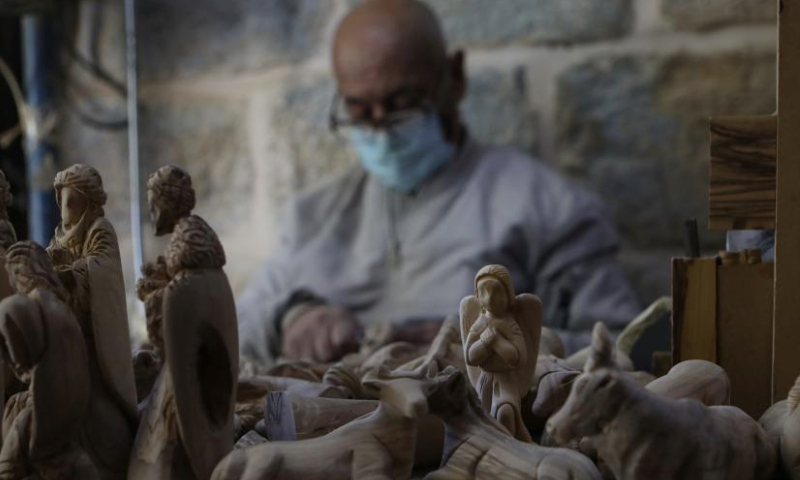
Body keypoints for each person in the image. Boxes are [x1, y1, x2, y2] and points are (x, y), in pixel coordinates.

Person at [237, 0, 641, 365]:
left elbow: (625, 350)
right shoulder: (311, 218)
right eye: (360, 112)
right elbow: (229, 332)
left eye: (402, 104)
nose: (383, 132)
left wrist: (490, 345)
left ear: (455, 78)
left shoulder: (549, 208)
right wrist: (290, 318)